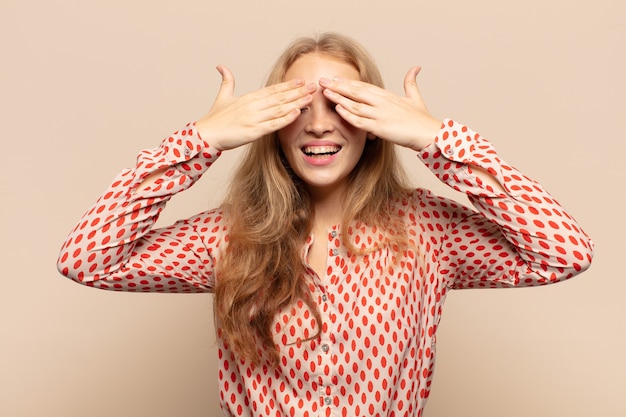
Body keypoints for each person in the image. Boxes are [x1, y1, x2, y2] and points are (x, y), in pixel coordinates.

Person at [57, 32, 593, 416]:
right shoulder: (227, 236)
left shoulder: (428, 230)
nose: (318, 122)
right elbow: (87, 260)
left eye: (343, 103)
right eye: (297, 104)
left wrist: (437, 138)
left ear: (377, 123)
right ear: (268, 122)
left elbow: (564, 251)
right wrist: (201, 141)